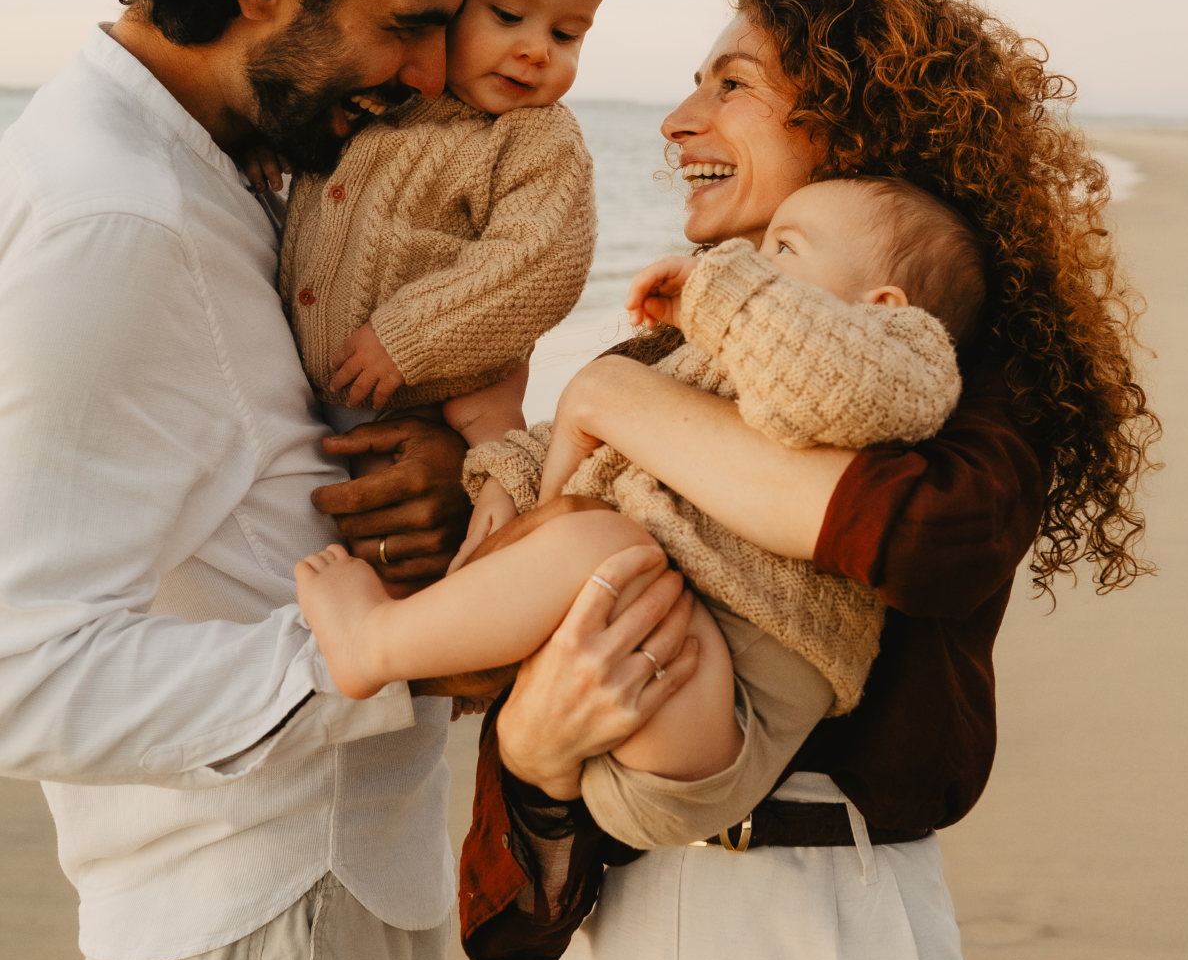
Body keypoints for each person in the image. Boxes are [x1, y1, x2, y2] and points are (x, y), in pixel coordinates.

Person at [456, 0, 1159, 960]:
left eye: (730, 86)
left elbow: (934, 538)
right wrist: (536, 764)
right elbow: (539, 631)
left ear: (846, 118)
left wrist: (623, 409)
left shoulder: (944, 360)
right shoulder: (642, 360)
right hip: (615, 926)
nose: (677, 121)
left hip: (824, 936)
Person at [0, 0, 515, 960]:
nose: (433, 78)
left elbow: (249, 462)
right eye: (408, 27)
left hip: (330, 879)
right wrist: (364, 662)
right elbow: (21, 666)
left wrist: (442, 468)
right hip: (247, 912)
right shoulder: (116, 215)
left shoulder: (233, 162)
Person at [295, 177, 977, 815]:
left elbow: (835, 386)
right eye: (758, 245)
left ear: (884, 307)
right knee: (599, 541)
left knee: (605, 543)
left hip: (728, 719)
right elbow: (609, 446)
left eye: (784, 248)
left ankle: (375, 645)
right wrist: (511, 473)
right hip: (635, 684)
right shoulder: (705, 366)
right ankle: (419, 649)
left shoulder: (903, 359)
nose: (750, 260)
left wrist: (723, 295)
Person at [266, 0, 611, 431]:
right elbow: (303, 127)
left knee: (478, 481)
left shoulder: (536, 136)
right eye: (506, 15)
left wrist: (408, 337)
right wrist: (267, 140)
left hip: (425, 397)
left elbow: (537, 264)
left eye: (566, 33)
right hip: (306, 397)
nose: (537, 51)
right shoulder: (380, 93)